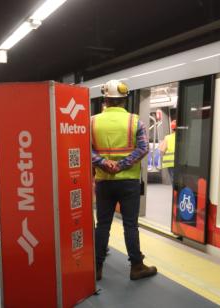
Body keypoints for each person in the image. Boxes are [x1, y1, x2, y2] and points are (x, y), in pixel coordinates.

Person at [92, 79, 157, 281]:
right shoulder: (136, 121)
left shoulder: (91, 121)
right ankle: (136, 266)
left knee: (102, 224)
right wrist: (122, 165)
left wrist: (103, 162)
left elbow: (83, 148)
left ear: (105, 99)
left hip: (103, 180)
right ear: (124, 100)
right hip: (128, 181)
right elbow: (143, 147)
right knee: (130, 224)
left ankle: (96, 267)